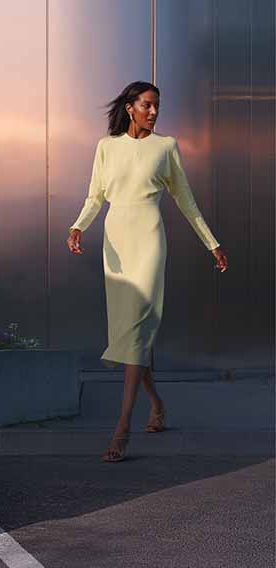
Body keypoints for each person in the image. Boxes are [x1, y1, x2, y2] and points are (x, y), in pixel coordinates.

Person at [65, 81, 229, 463]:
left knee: (139, 326)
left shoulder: (166, 147)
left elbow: (186, 200)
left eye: (157, 106)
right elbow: (95, 196)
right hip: (116, 243)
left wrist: (212, 243)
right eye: (147, 105)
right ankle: (156, 403)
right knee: (129, 334)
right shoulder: (106, 147)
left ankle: (122, 428)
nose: (154, 112)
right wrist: (77, 227)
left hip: (150, 240)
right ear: (130, 107)